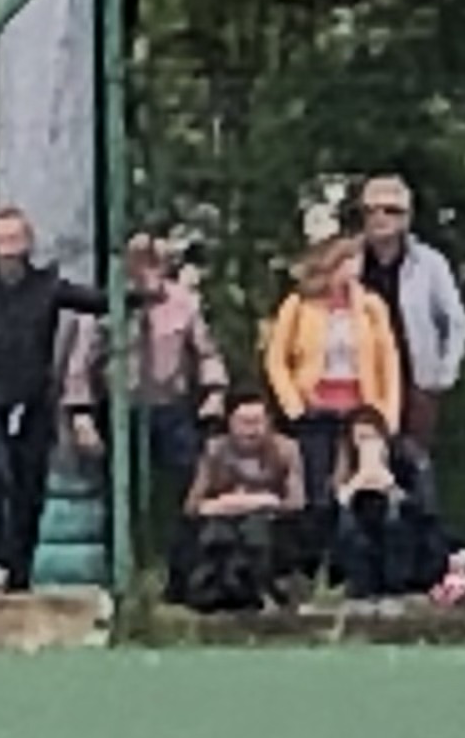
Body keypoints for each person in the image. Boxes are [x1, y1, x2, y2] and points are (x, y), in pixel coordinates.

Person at [0, 209, 102, 589]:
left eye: (16, 239)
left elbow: (96, 301)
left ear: (29, 243)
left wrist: (142, 292)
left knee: (29, 486)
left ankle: (19, 571)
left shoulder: (48, 286)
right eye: (2, 240)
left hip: (32, 399)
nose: (9, 249)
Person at [261, 234, 404, 565]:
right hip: (314, 407)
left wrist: (387, 412)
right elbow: (276, 359)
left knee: (362, 483)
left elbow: (388, 361)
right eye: (348, 261)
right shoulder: (299, 305)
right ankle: (315, 560)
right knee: (317, 485)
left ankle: (357, 559)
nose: (355, 269)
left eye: (358, 261)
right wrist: (293, 405)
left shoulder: (371, 306)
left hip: (360, 408)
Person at [351, 177, 465, 476]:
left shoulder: (430, 263)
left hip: (415, 381)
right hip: (359, 382)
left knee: (414, 465)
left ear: (407, 217)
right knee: (359, 465)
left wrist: (444, 375)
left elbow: (455, 320)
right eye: (370, 210)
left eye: (390, 210)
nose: (379, 218)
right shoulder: (349, 261)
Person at [171, 396, 305, 613]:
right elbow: (192, 505)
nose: (251, 430)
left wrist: (259, 502)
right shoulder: (215, 449)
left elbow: (297, 501)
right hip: (222, 522)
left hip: (270, 523)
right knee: (214, 533)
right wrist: (227, 505)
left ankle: (267, 592)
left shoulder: (286, 449)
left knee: (257, 529)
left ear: (269, 423)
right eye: (244, 422)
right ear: (230, 422)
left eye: (257, 422)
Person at [119, 233, 230, 496]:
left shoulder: (184, 302)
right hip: (122, 412)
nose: (147, 270)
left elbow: (206, 352)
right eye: (140, 262)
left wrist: (215, 393)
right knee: (125, 486)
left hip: (171, 408)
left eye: (155, 263)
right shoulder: (108, 300)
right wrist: (81, 413)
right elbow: (85, 359)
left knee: (182, 479)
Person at [327, 413, 449, 602]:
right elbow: (337, 514)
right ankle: (361, 584)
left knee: (396, 528)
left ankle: (398, 584)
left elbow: (425, 506)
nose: (368, 445)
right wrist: (353, 487)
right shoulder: (346, 464)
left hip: (406, 530)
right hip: (363, 533)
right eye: (361, 439)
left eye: (372, 437)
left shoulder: (405, 459)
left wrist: (392, 488)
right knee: (353, 535)